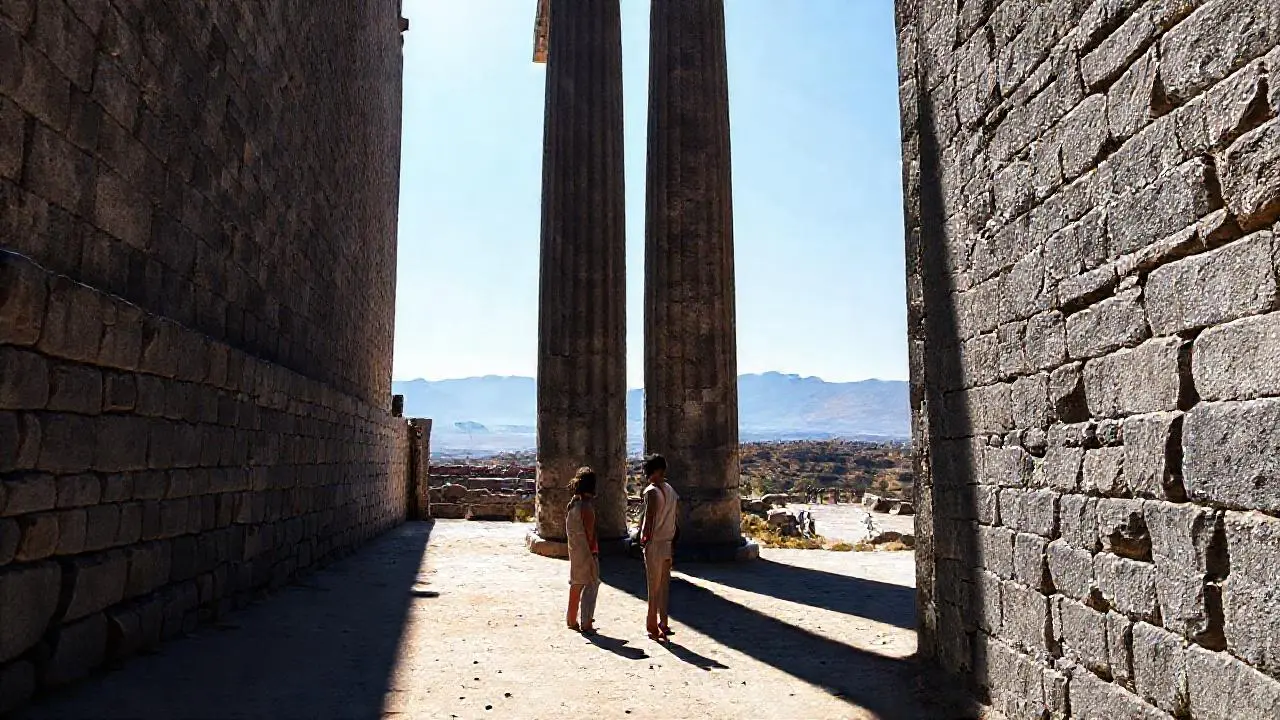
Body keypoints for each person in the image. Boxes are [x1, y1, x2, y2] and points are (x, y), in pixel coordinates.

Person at [639, 454, 678, 640]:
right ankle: (663, 622)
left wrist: (644, 538)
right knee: (664, 586)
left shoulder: (651, 492)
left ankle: (652, 626)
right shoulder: (671, 490)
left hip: (655, 542)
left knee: (652, 586)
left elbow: (649, 518)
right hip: (667, 542)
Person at [565, 466, 600, 633]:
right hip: (586, 552)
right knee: (591, 586)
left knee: (576, 584)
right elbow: (590, 534)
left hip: (575, 550)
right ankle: (586, 622)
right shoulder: (586, 507)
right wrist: (594, 553)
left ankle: (571, 620)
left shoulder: (572, 505)